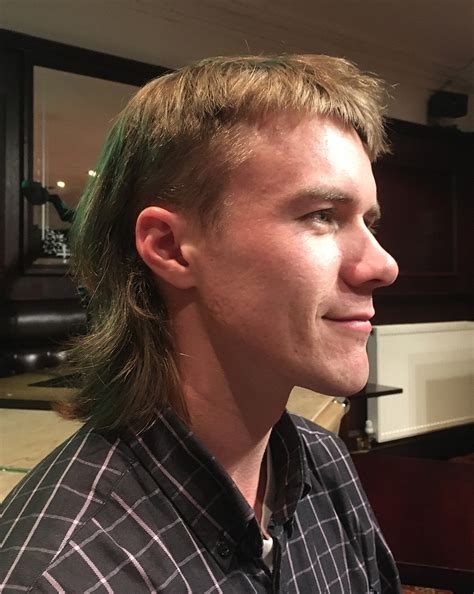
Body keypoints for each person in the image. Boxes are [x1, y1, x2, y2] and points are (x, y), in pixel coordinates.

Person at [0, 55, 401, 592]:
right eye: (322, 215)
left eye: (368, 222)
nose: (383, 265)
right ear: (170, 248)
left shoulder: (323, 462)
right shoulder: (63, 576)